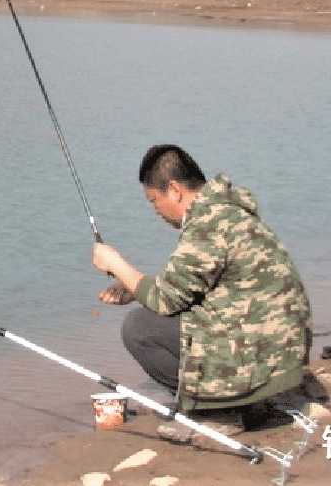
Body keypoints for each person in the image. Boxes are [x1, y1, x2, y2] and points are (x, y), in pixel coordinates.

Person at [92, 144, 315, 444]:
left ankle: (218, 412)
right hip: (282, 353)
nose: (155, 211)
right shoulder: (227, 209)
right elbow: (194, 287)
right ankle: (245, 402)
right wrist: (134, 290)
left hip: (262, 351)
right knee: (165, 316)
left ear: (174, 190)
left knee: (139, 328)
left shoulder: (206, 226)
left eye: (154, 200)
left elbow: (166, 300)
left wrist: (116, 263)